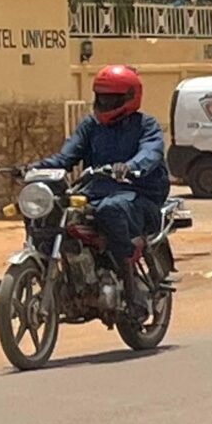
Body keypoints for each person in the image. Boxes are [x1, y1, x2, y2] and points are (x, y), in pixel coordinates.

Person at [32, 65, 169, 291]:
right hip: (96, 191)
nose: (104, 104)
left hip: (139, 195)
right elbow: (66, 157)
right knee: (50, 210)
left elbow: (150, 153)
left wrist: (129, 167)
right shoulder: (90, 126)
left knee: (110, 209)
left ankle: (129, 284)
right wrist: (32, 169)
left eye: (111, 99)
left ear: (129, 97)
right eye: (101, 98)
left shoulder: (146, 125)